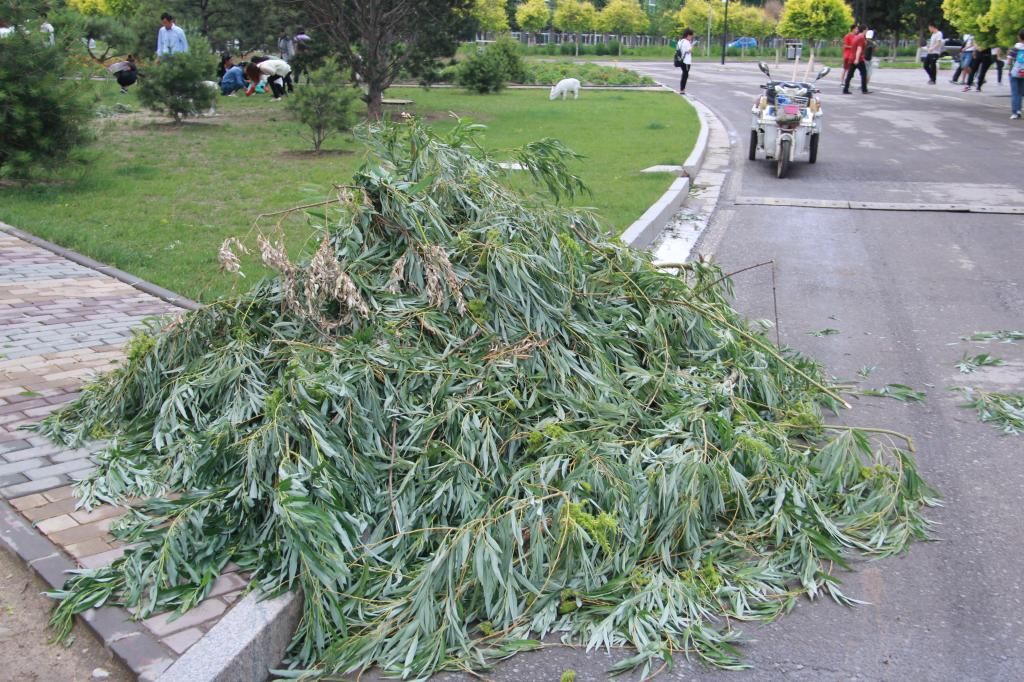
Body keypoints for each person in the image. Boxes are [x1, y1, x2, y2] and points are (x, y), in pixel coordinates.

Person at [843, 25, 869, 94]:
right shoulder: (861, 38)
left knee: (849, 75)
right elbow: (859, 49)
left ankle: (845, 89)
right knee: (864, 74)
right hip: (858, 59)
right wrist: (857, 59)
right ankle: (864, 89)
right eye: (866, 30)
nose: (867, 31)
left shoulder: (856, 37)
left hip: (852, 58)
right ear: (864, 30)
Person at [1009, 29, 1024, 120]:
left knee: (1015, 93)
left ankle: (1015, 112)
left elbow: (1010, 59)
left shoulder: (1016, 47)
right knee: (1021, 92)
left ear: (1019, 37)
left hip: (1015, 72)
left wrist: (1010, 67)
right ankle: (1019, 110)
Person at [675, 28, 694, 95]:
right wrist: (691, 47)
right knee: (685, 75)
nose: (691, 38)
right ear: (688, 35)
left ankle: (682, 89)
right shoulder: (687, 42)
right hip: (686, 61)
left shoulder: (680, 41)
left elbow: (677, 50)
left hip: (680, 60)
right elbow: (689, 50)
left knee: (684, 74)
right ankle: (682, 89)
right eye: (691, 36)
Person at [841, 23, 857, 88]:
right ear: (853, 29)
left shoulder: (856, 36)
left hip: (853, 55)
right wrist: (852, 47)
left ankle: (848, 83)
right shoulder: (847, 36)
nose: (857, 30)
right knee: (845, 69)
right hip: (847, 55)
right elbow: (845, 45)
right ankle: (842, 82)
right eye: (856, 29)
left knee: (850, 70)